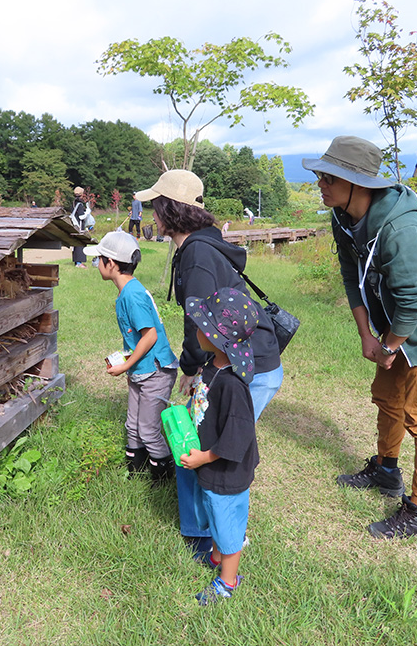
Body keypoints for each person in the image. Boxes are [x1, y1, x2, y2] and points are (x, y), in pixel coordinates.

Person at [302, 135, 417, 539]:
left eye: (328, 178)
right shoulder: (343, 217)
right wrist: (367, 336)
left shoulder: (400, 227)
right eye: (321, 176)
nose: (320, 184)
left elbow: (415, 302)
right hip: (395, 324)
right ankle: (386, 470)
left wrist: (391, 345)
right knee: (387, 397)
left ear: (358, 184)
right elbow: (350, 277)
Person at [134, 170, 283, 552]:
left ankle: (222, 540)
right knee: (202, 444)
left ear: (170, 209)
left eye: (155, 205)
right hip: (229, 358)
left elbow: (197, 320)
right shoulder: (198, 246)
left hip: (248, 365)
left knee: (215, 451)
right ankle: (206, 531)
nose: (152, 214)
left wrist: (190, 368)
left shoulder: (198, 254)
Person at [180, 287, 260, 605]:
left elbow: (237, 437)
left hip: (226, 469)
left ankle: (228, 580)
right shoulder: (214, 365)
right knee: (215, 514)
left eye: (202, 325)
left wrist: (205, 457)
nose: (195, 329)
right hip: (211, 464)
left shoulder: (233, 385)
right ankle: (216, 556)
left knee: (227, 524)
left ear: (217, 336)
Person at [84, 230, 178, 483]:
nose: (97, 265)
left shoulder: (132, 295)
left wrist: (126, 365)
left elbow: (149, 337)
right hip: (142, 369)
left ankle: (164, 480)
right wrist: (130, 368)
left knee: (148, 430)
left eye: (99, 259)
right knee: (133, 426)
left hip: (156, 370)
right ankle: (135, 474)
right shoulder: (127, 291)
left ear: (111, 264)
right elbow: (134, 337)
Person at [70, 186, 90, 268]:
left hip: (74, 225)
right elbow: (81, 216)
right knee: (80, 243)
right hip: (79, 225)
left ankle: (76, 262)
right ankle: (79, 263)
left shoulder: (73, 203)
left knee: (75, 244)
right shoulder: (80, 204)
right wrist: (88, 212)